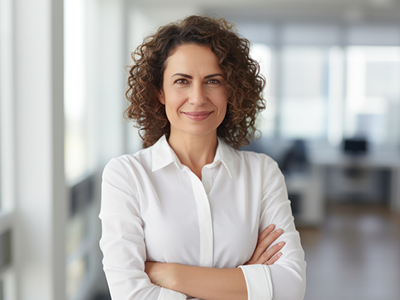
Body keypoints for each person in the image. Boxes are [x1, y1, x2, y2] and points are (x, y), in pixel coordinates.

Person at [99, 15, 306, 300]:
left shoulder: (262, 173)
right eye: (182, 81)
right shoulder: (126, 175)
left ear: (230, 90)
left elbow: (290, 286)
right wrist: (247, 280)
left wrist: (169, 274)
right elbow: (129, 294)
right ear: (160, 91)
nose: (197, 98)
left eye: (213, 81)